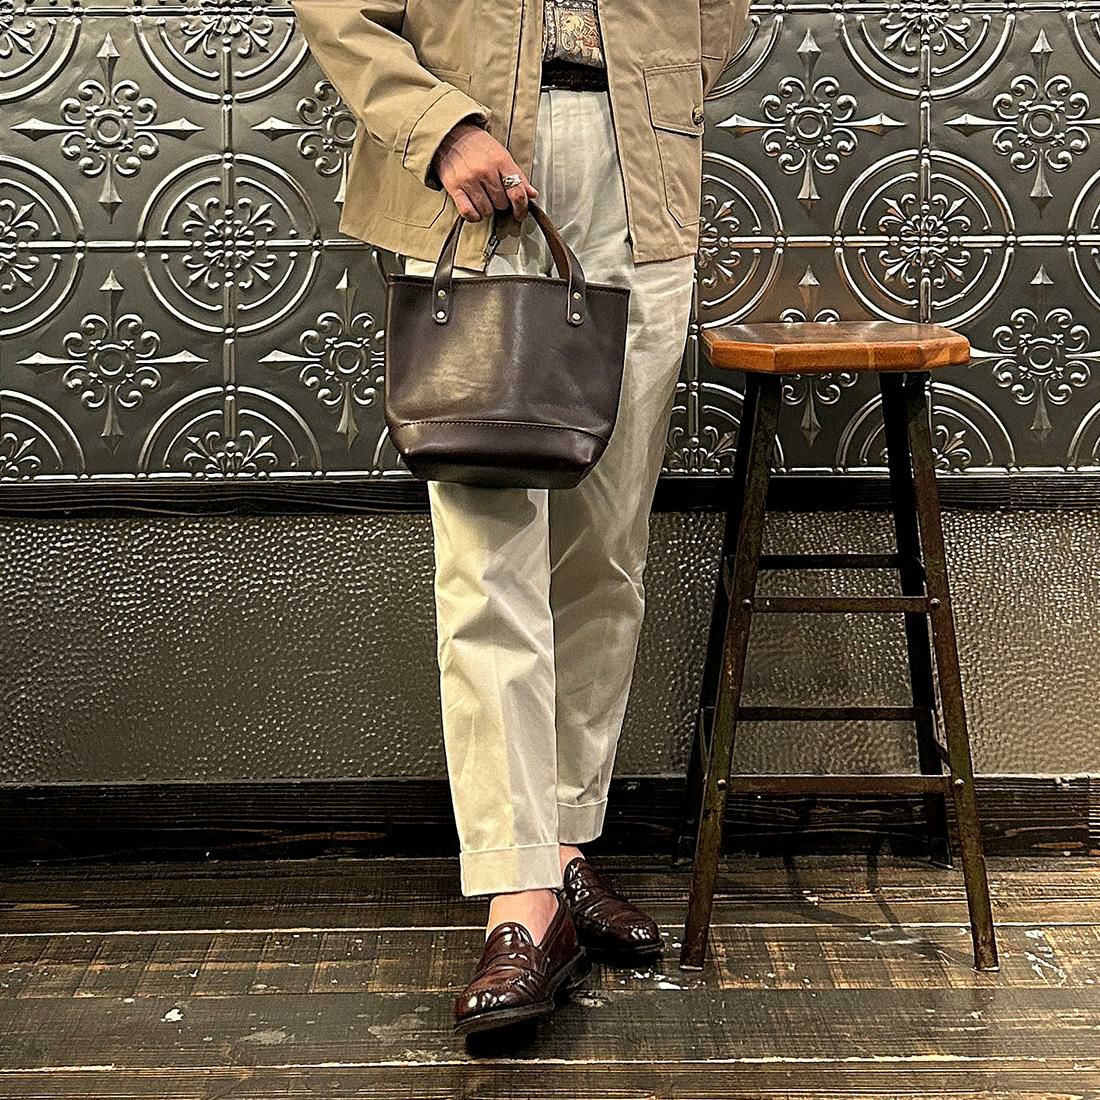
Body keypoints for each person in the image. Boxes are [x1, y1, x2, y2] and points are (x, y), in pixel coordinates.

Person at [291, 0, 751, 1038]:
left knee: (606, 551)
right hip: (473, 169)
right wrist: (439, 126)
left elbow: (720, 15)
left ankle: (563, 840)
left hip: (643, 169)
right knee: (487, 557)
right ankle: (520, 895)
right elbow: (333, 7)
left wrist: (659, 95)